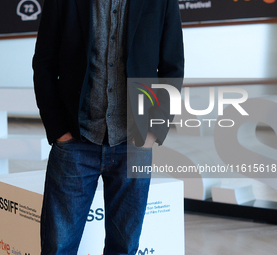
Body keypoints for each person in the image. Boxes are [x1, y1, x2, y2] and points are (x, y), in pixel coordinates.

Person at [32, 0, 184, 254]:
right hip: (75, 143)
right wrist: (59, 131)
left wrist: (152, 132)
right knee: (58, 247)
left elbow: (172, 67)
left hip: (134, 145)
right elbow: (44, 65)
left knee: (124, 247)